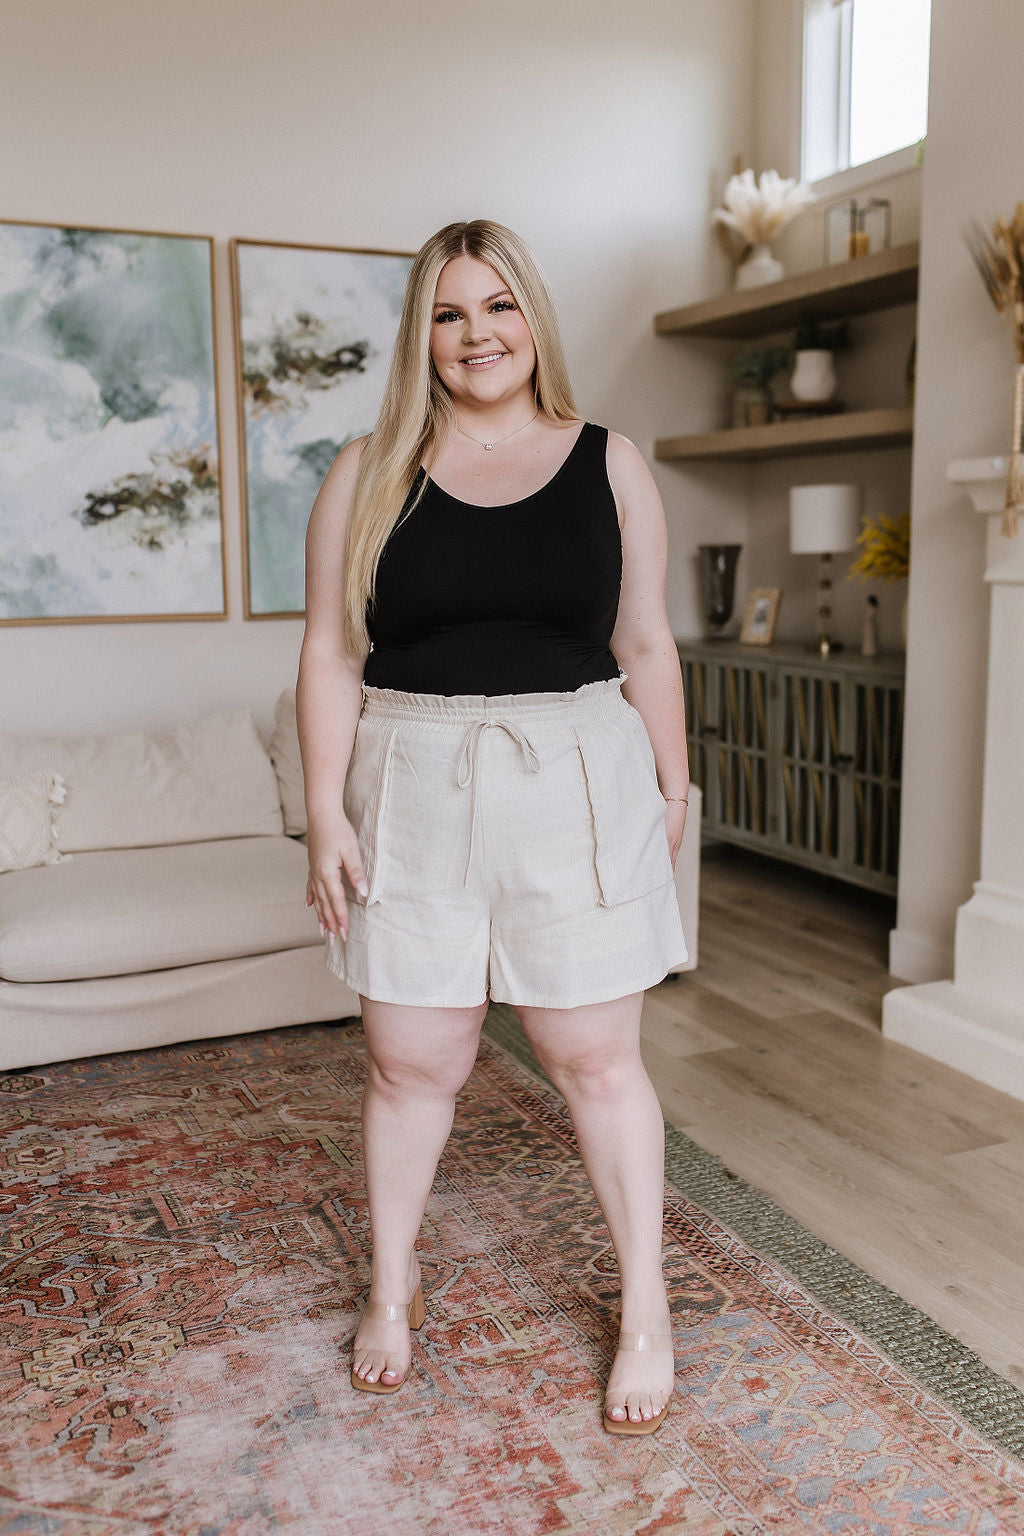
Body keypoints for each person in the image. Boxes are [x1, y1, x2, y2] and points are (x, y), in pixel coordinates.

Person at [297, 219, 690, 1436]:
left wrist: (674, 789)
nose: (478, 334)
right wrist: (322, 811)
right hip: (410, 778)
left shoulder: (610, 462)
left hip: (576, 773)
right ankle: (394, 1287)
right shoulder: (366, 471)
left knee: (595, 1059)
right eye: (450, 313)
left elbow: (644, 640)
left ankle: (643, 1308)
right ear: (422, 335)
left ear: (534, 319)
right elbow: (329, 653)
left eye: (499, 305)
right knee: (411, 1061)